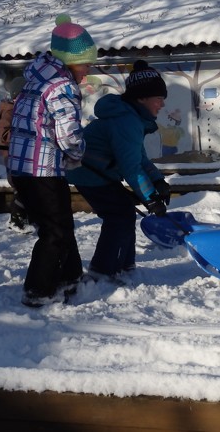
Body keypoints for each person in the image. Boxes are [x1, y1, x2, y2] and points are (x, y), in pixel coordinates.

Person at [8, 14, 94, 307]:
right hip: (42, 170)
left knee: (61, 226)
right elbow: (69, 135)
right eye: (86, 63)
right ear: (72, 60)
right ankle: (38, 291)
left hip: (23, 169)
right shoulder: (61, 86)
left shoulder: (36, 79)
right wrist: (78, 155)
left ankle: (71, 277)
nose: (88, 69)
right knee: (54, 232)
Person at [68, 60, 171, 280]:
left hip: (98, 171)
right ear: (141, 98)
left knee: (124, 211)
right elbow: (131, 168)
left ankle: (125, 266)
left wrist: (158, 181)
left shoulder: (131, 117)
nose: (162, 105)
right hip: (89, 173)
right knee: (119, 215)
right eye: (159, 98)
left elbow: (139, 158)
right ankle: (103, 271)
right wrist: (151, 198)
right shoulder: (127, 121)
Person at [0, 76, 33, 234]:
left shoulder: (19, 111)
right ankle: (16, 220)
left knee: (27, 190)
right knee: (22, 190)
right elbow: (4, 135)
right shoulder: (9, 111)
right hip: (15, 160)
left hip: (24, 159)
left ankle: (26, 218)